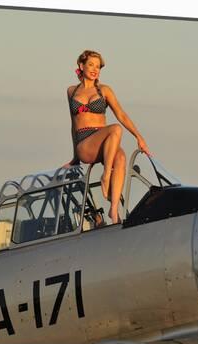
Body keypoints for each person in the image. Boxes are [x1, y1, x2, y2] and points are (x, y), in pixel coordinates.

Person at [64, 50, 151, 224]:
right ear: (81, 66)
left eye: (98, 66)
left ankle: (114, 211)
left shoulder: (105, 90)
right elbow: (73, 124)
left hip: (104, 142)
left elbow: (122, 114)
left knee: (121, 157)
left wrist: (139, 137)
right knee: (116, 129)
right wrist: (75, 157)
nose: (95, 69)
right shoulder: (71, 91)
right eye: (91, 65)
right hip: (85, 143)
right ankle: (105, 176)